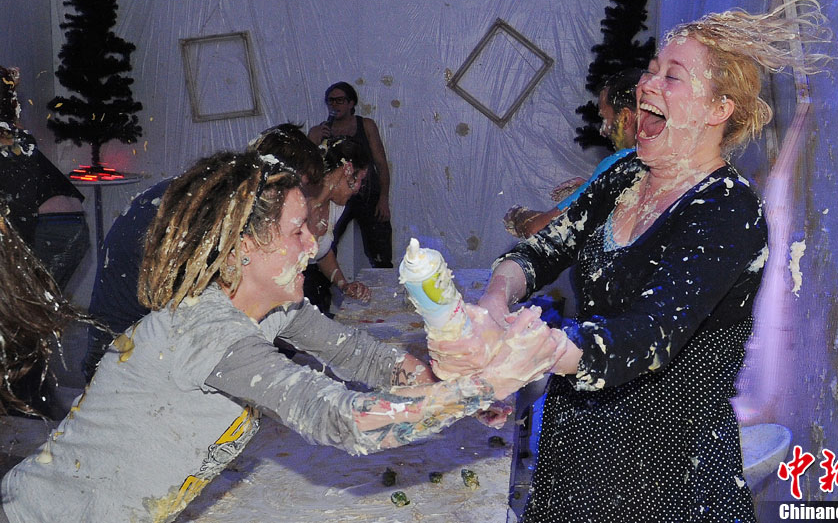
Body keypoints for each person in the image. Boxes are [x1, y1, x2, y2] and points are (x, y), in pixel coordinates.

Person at [1, 150, 566, 523]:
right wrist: (480, 388)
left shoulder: (272, 309)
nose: (313, 246)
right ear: (244, 247)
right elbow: (337, 417)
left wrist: (448, 385)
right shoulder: (205, 331)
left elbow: (360, 356)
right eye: (297, 230)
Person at [432, 0, 831, 522]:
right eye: (651, 69)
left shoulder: (728, 208)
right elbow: (544, 248)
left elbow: (648, 334)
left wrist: (531, 351)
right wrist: (494, 299)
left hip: (666, 469)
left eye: (673, 76)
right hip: (579, 448)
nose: (647, 85)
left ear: (718, 109)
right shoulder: (626, 177)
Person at [82, 124, 324, 381]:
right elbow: (206, 327)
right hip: (121, 364)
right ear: (272, 178)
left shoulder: (209, 194)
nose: (298, 198)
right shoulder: (207, 213)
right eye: (296, 188)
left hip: (137, 350)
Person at [503, 69, 644, 238]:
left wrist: (519, 217)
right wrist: (592, 189)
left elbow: (543, 231)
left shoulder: (621, 163)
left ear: (625, 118)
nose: (603, 132)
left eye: (605, 119)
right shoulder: (662, 161)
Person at [0, 204, 101, 419]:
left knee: (23, 323)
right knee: (25, 321)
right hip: (66, 219)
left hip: (52, 222)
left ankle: (30, 404)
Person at [0, 65, 89, 290]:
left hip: (51, 227)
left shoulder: (9, 140)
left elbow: (20, 207)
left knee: (25, 303)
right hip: (61, 223)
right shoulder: (10, 134)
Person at [308, 81, 393, 268]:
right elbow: (309, 168)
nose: (334, 105)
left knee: (380, 251)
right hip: (336, 197)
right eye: (331, 101)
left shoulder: (366, 125)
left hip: (368, 194)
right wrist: (312, 141)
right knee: (325, 245)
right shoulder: (320, 130)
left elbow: (381, 163)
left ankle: (384, 284)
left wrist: (383, 198)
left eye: (340, 100)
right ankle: (326, 282)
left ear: (351, 103)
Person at [302, 136, 374, 314]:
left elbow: (322, 252)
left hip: (304, 292)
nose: (358, 188)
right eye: (360, 179)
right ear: (347, 169)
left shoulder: (335, 205)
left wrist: (344, 285)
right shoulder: (298, 201)